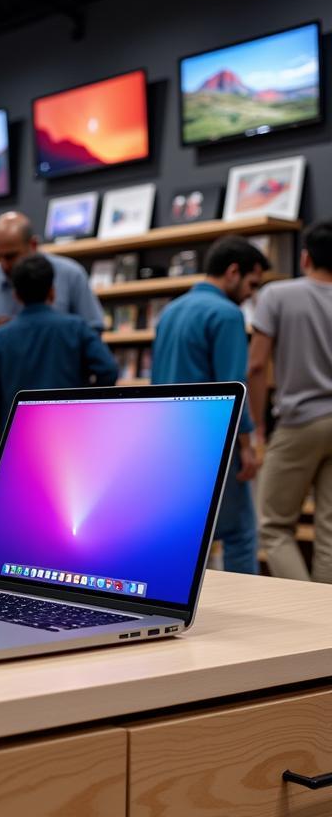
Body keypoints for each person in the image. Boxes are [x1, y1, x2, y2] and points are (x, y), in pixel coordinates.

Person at [152, 236, 268, 575]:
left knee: (184, 537)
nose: (250, 293)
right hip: (212, 439)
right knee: (240, 534)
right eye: (251, 283)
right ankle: (246, 615)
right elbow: (234, 385)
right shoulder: (227, 314)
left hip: (168, 439)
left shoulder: (170, 311)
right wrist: (246, 446)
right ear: (233, 272)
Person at [0, 211, 104, 472]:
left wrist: (86, 404)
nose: (3, 264)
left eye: (11, 255)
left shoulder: (70, 275)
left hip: (64, 427)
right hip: (6, 430)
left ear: (33, 245)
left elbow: (93, 331)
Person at [248, 219, 332, 584]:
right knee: (329, 531)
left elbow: (255, 364)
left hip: (298, 421)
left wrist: (259, 428)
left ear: (305, 257)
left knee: (274, 527)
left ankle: (307, 614)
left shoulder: (277, 295)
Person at [0, 254, 117, 445]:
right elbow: (108, 370)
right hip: (70, 434)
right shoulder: (77, 328)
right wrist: (86, 406)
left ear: (16, 295)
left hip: (18, 439)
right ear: (52, 291)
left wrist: (4, 428)